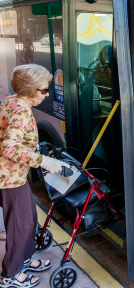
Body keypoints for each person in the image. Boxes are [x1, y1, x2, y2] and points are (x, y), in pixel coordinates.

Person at [0, 64, 70, 288]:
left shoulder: (13, 100)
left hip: (13, 175)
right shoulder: (20, 110)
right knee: (20, 226)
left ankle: (26, 259)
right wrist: (45, 162)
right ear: (29, 90)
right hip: (8, 178)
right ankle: (10, 274)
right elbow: (10, 148)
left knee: (29, 219)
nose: (47, 94)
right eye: (43, 90)